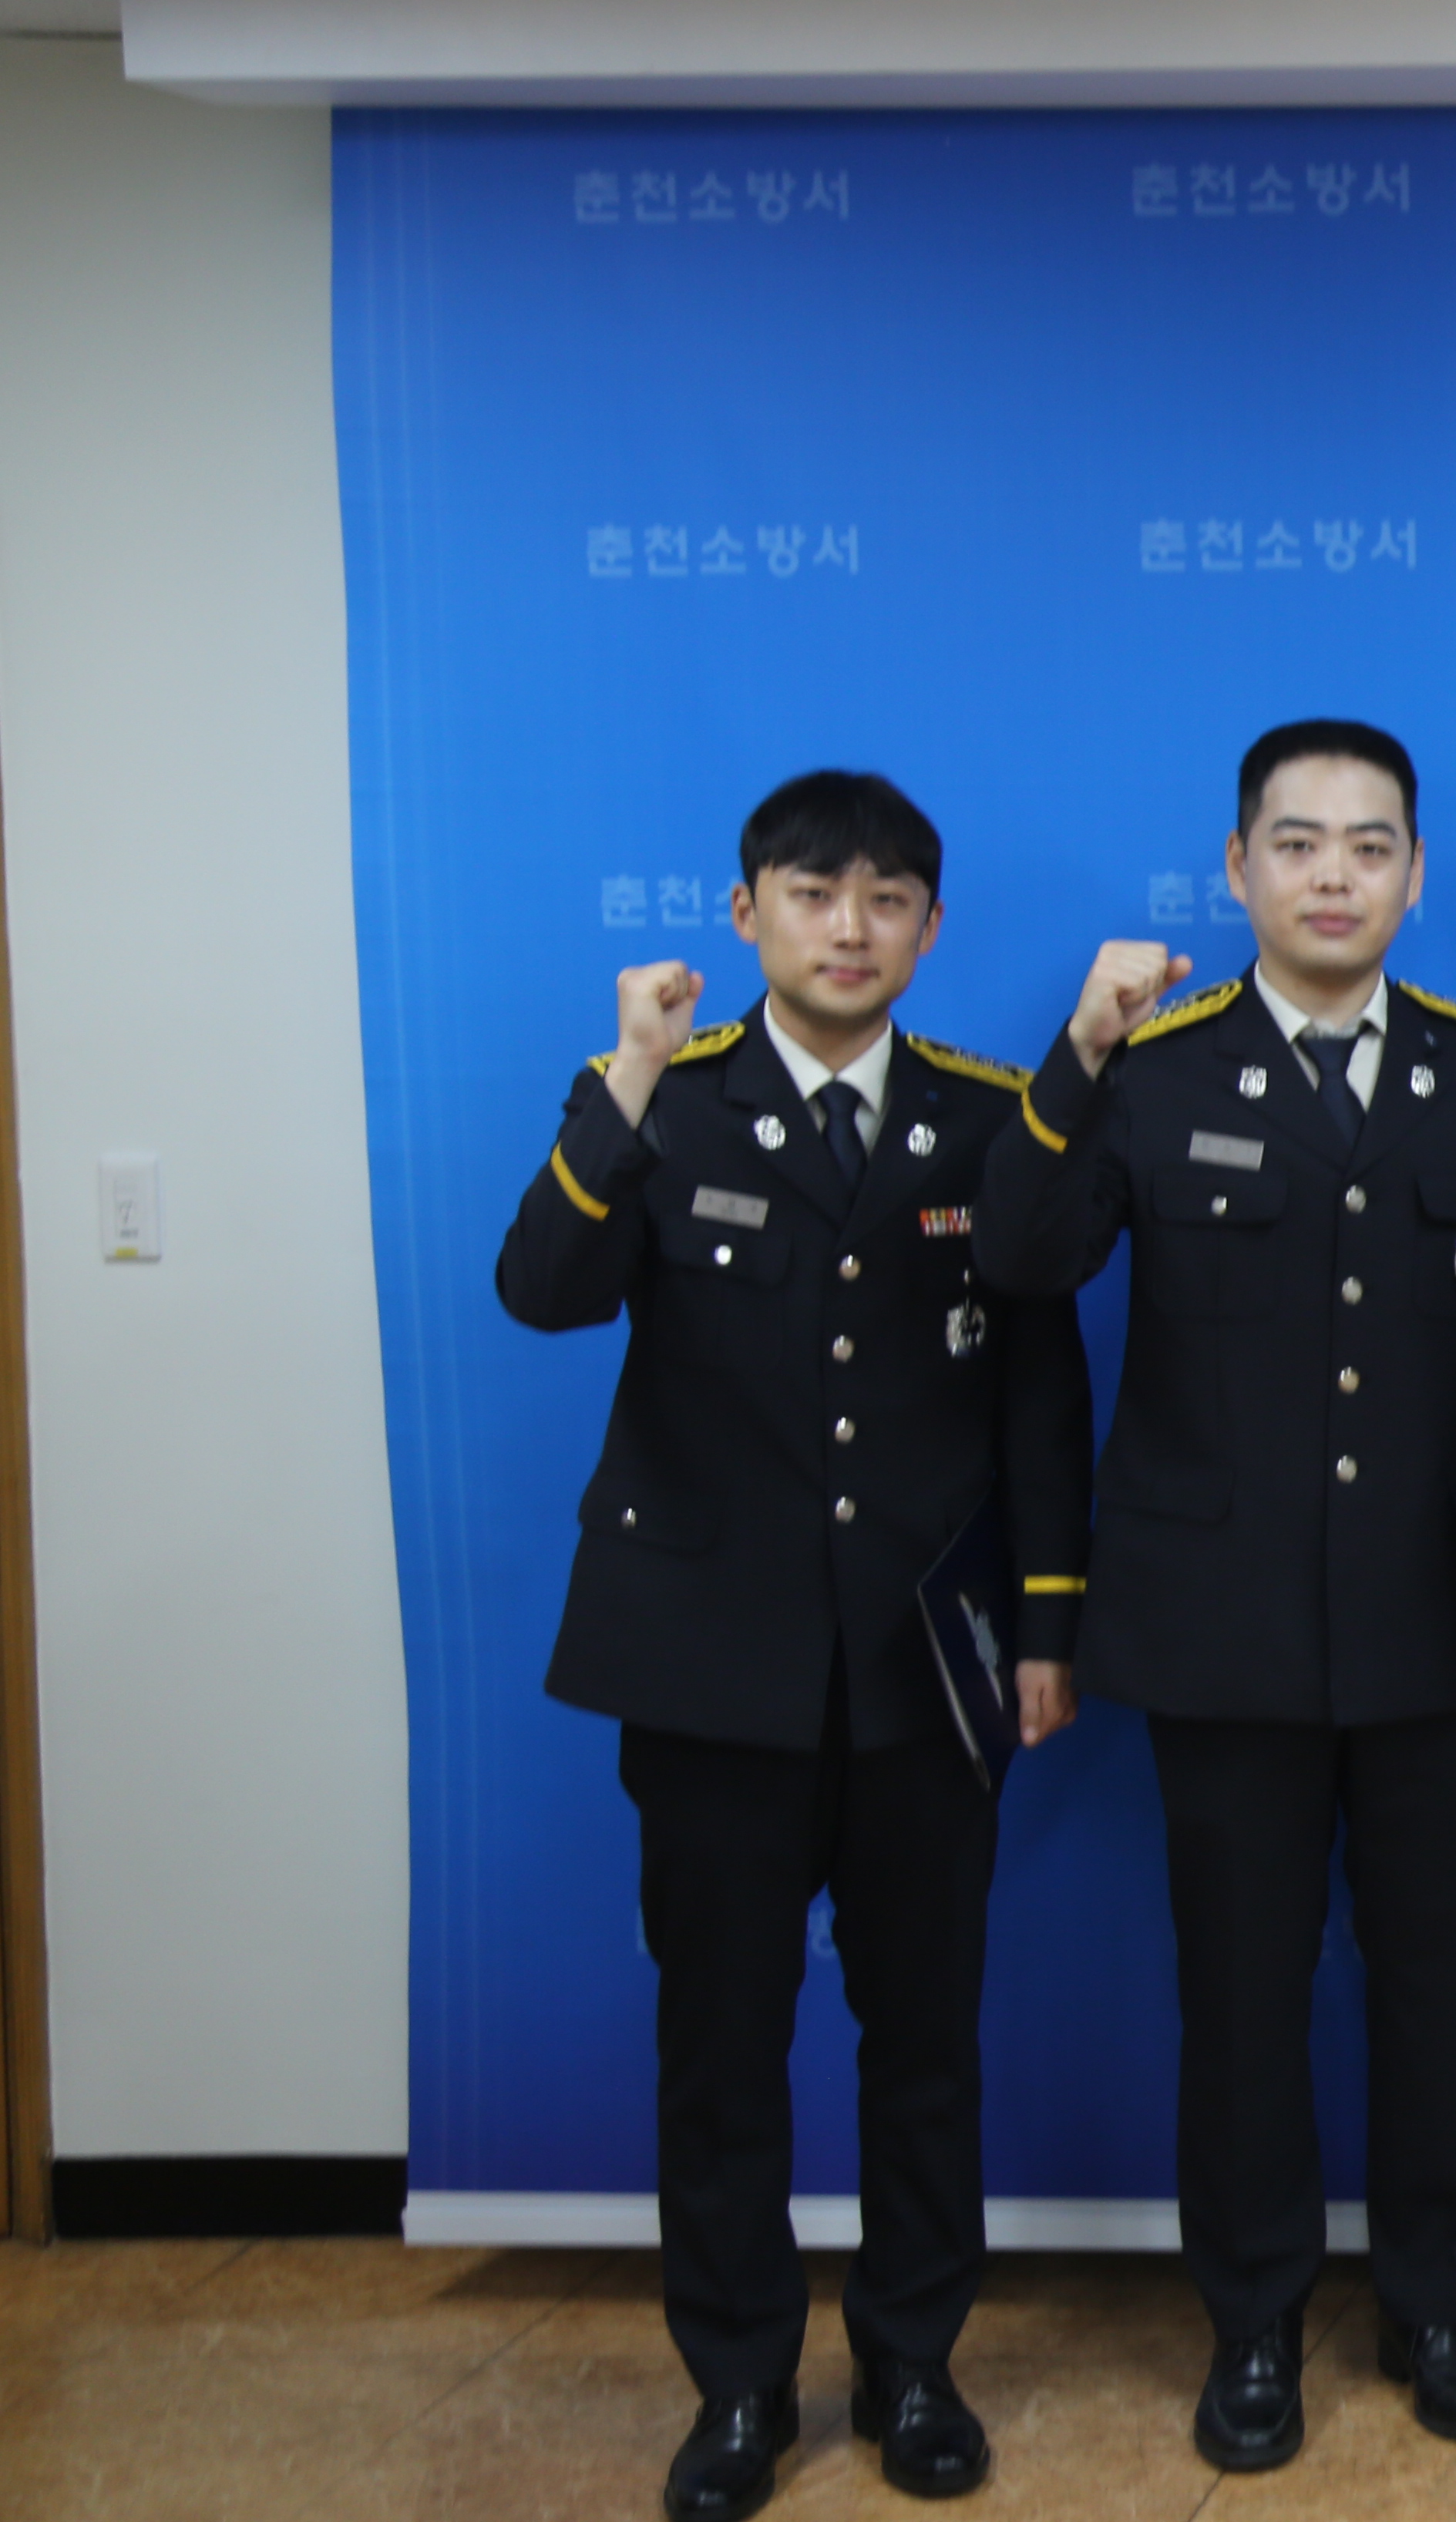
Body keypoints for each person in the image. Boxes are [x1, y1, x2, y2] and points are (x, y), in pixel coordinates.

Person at [972, 718, 1456, 2477]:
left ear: (1416, 874)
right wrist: (1077, 1055)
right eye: (1299, 845)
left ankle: (1435, 2308)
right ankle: (1252, 2323)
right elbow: (1021, 1257)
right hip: (1218, 1620)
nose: (1334, 876)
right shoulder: (1149, 1065)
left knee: (1436, 1988)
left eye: (1369, 846)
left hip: (1437, 1615)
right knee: (1241, 1997)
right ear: (1237, 868)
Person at [493, 769, 1091, 2522]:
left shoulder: (988, 1121)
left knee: (926, 2041)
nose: (851, 927)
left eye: (888, 898)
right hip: (710, 1670)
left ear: (931, 926)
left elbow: (1040, 1398)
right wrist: (623, 1076)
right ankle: (741, 2385)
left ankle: (913, 2368)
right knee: (722, 2045)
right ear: (745, 911)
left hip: (925, 1671)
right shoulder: (660, 1104)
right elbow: (544, 1288)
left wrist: (1046, 1624)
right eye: (815, 894)